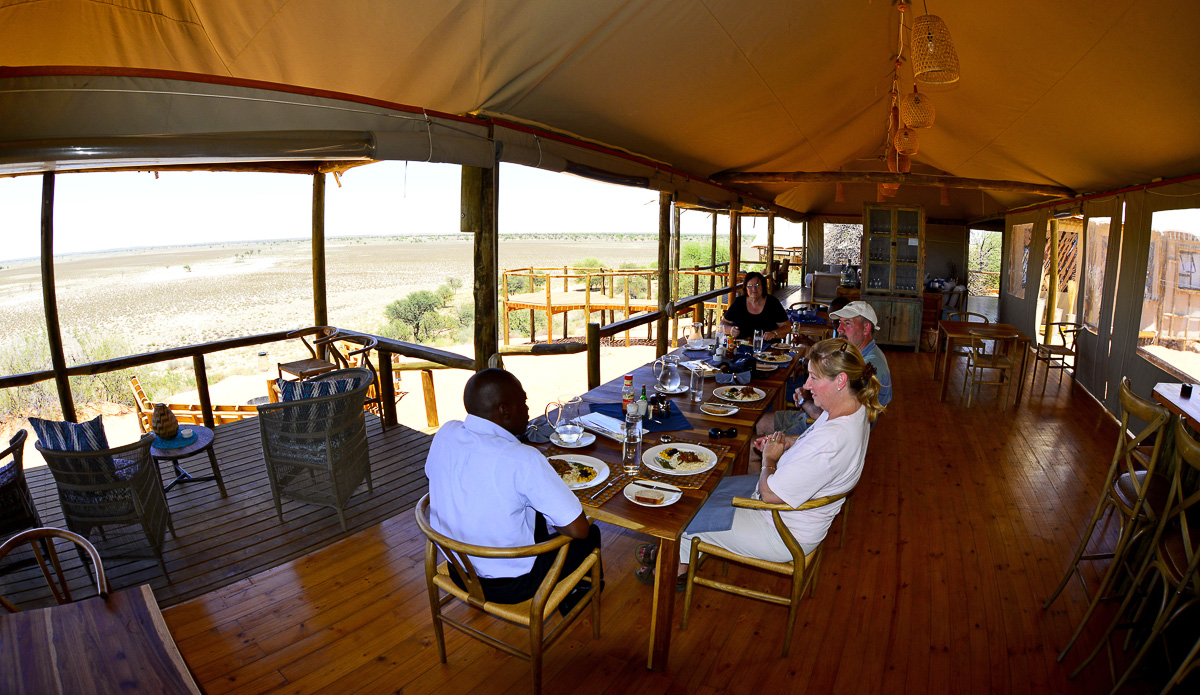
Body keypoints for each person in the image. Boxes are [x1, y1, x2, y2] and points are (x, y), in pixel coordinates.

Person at [634, 338, 884, 587]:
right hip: (792, 510)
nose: (807, 385)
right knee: (703, 490)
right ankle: (683, 559)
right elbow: (813, 441)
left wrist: (769, 459)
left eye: (814, 378)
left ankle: (671, 569)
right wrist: (787, 441)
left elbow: (768, 494)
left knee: (683, 518)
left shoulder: (832, 442)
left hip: (781, 531)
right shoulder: (851, 408)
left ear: (840, 380)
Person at [425, 368, 601, 607]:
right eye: (524, 402)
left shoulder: (444, 433)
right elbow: (578, 529)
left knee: (529, 509)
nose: (528, 410)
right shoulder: (521, 458)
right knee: (591, 534)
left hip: (459, 568)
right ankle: (575, 598)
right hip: (509, 585)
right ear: (504, 410)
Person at [759, 300, 892, 447]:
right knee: (759, 422)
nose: (840, 328)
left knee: (759, 432)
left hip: (821, 432)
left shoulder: (868, 366)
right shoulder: (856, 356)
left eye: (847, 323)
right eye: (840, 322)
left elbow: (830, 417)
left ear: (866, 328)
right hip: (818, 422)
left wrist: (805, 401)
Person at [720, 271, 791, 341]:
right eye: (750, 286)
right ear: (746, 288)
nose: (754, 289)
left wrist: (774, 333)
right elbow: (723, 323)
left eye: (757, 285)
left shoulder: (772, 302)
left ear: (763, 286)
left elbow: (787, 327)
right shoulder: (739, 302)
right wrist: (730, 330)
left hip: (768, 349)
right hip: (741, 348)